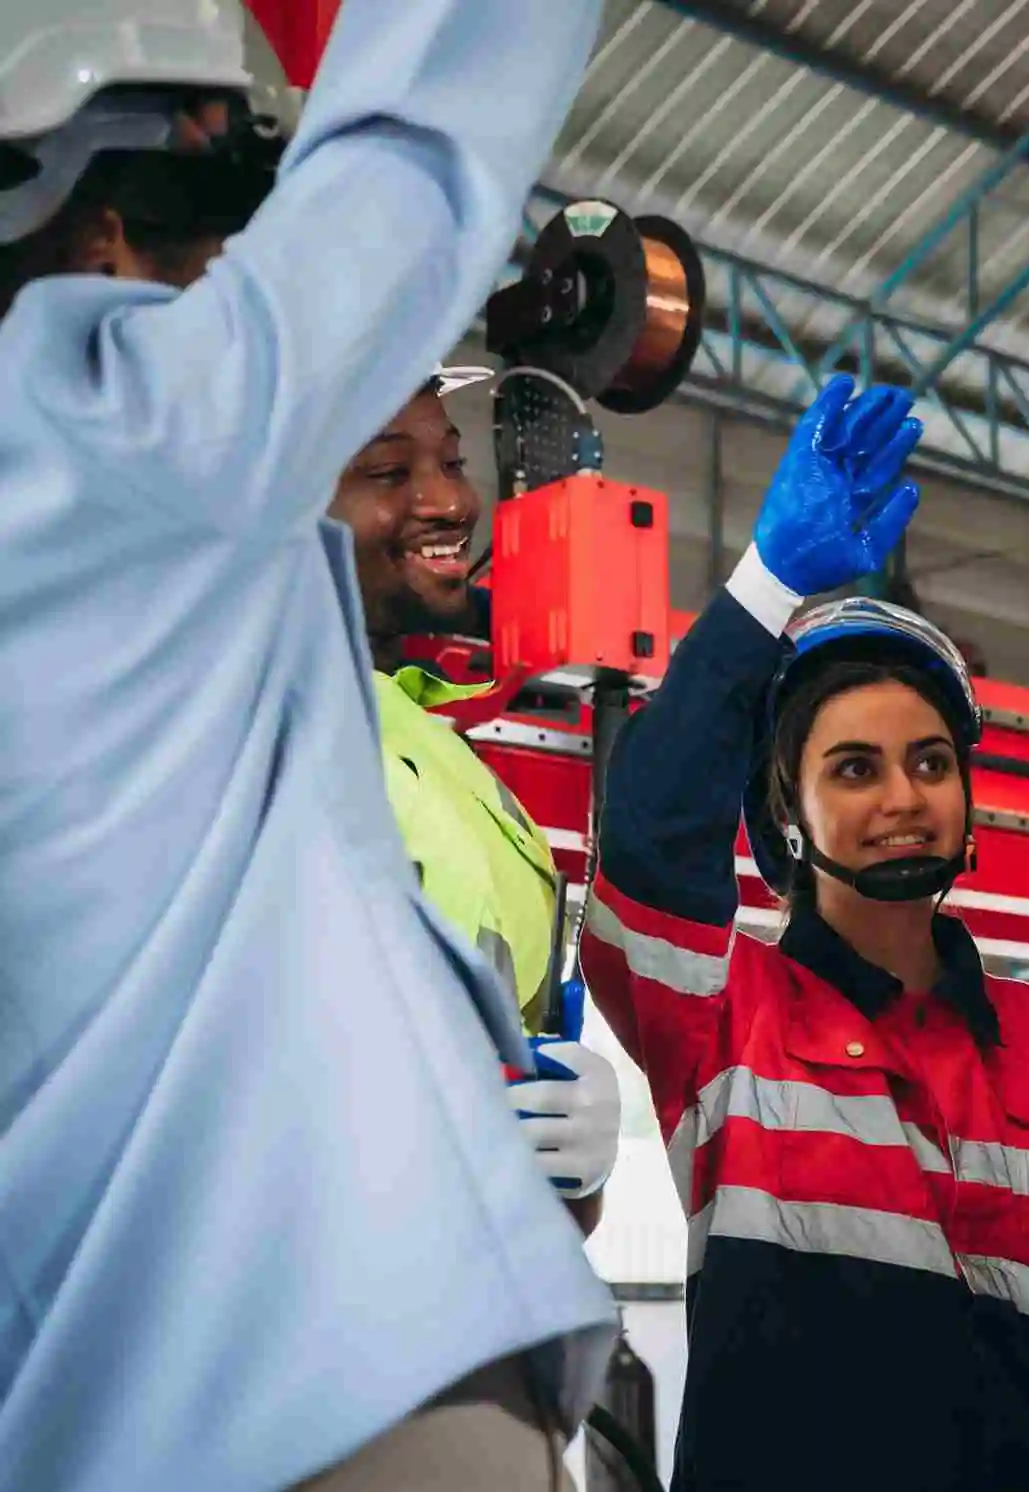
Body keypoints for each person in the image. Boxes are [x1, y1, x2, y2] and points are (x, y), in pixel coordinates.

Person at [0, 3, 617, 1489]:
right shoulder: (110, 425)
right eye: (225, 207)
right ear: (97, 239)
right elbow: (415, 158)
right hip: (322, 1378)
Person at [578, 375, 1029, 1492]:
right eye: (852, 769)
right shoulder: (721, 1017)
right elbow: (648, 836)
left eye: (930, 761)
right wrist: (766, 584)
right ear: (787, 815)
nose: (903, 796)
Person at [327, 372, 622, 1233]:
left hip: (481, 1300)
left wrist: (576, 1157)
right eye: (389, 472)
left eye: (451, 461)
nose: (450, 501)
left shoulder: (440, 753)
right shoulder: (239, 718)